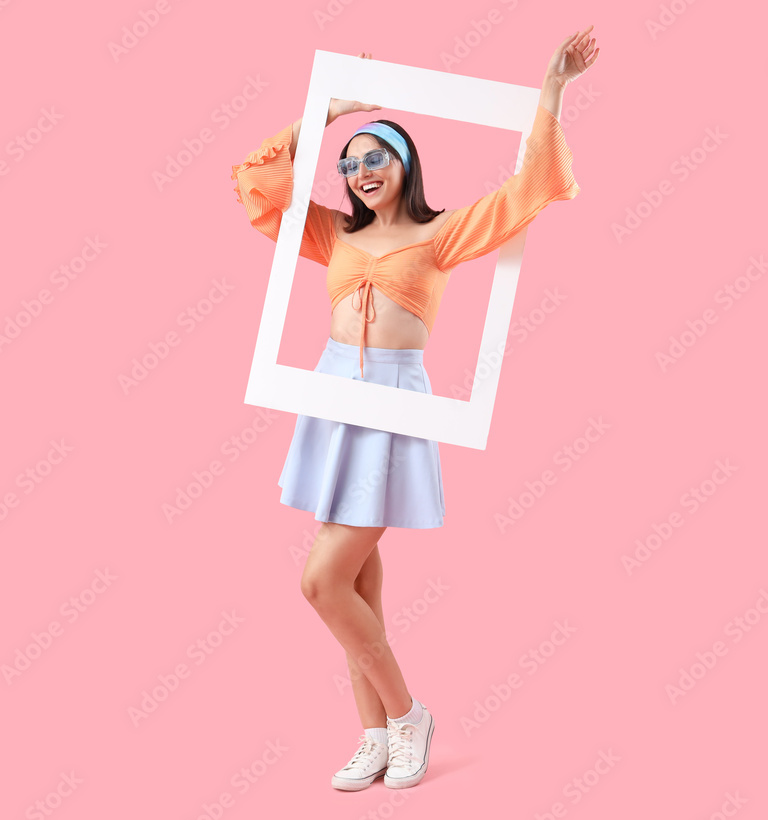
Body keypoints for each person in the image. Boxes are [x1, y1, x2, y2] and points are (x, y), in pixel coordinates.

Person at [230, 29, 600, 791]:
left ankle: (407, 716)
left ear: (405, 163)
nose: (362, 172)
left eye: (377, 157)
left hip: (393, 402)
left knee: (321, 582)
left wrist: (554, 89)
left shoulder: (441, 233)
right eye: (352, 162)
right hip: (331, 401)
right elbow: (256, 187)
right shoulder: (331, 235)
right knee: (359, 586)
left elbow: (529, 189)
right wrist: (330, 111)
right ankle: (374, 735)